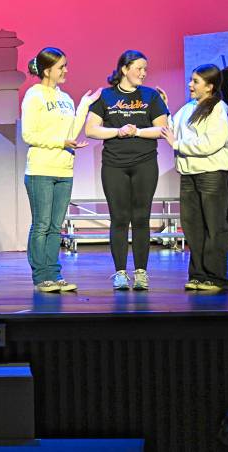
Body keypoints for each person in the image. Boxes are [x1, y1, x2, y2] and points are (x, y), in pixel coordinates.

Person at [85, 50, 169, 291]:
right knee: (120, 218)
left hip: (144, 162)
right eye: (139, 68)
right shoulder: (106, 96)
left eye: (145, 69)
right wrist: (118, 131)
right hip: (114, 165)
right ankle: (120, 272)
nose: (143, 73)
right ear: (124, 68)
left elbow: (162, 129)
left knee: (141, 217)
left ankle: (141, 272)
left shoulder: (150, 96)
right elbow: (91, 129)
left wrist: (137, 132)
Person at [21, 47, 99, 293]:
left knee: (56, 226)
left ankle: (54, 274)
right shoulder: (34, 95)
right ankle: (41, 277)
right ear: (47, 70)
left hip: (64, 168)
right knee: (42, 224)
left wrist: (85, 105)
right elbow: (28, 134)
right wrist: (59, 143)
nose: (66, 70)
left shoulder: (65, 98)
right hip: (41, 168)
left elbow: (72, 132)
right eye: (61, 66)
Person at [161, 64, 228, 291]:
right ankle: (198, 274)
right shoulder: (189, 108)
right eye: (191, 80)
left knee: (214, 225)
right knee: (193, 226)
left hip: (210, 173)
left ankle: (216, 277)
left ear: (210, 86)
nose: (190, 85)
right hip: (190, 174)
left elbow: (212, 142)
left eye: (195, 81)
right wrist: (163, 107)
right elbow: (172, 127)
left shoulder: (218, 109)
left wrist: (178, 144)